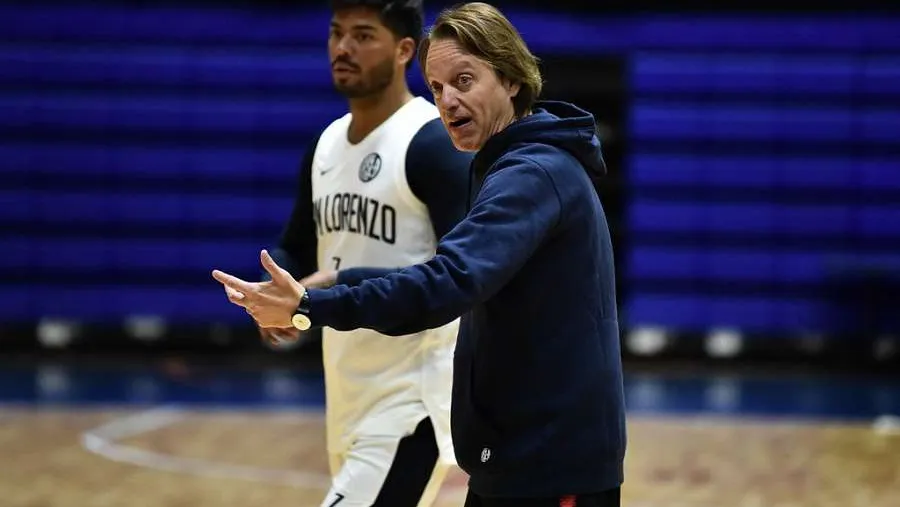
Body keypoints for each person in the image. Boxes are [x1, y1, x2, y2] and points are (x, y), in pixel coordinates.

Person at [213, 2, 626, 506]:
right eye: (438, 87)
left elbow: (447, 280)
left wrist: (311, 306)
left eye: (465, 81)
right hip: (515, 457)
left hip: (544, 460)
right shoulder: (508, 167)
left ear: (512, 80)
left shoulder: (529, 175)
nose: (448, 101)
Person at [249, 0, 473, 506]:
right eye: (336, 33)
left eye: (363, 35)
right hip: (349, 391)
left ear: (404, 50)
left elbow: (461, 275)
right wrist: (275, 292)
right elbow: (298, 245)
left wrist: (325, 290)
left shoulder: (431, 142)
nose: (343, 48)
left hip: (413, 396)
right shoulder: (325, 145)